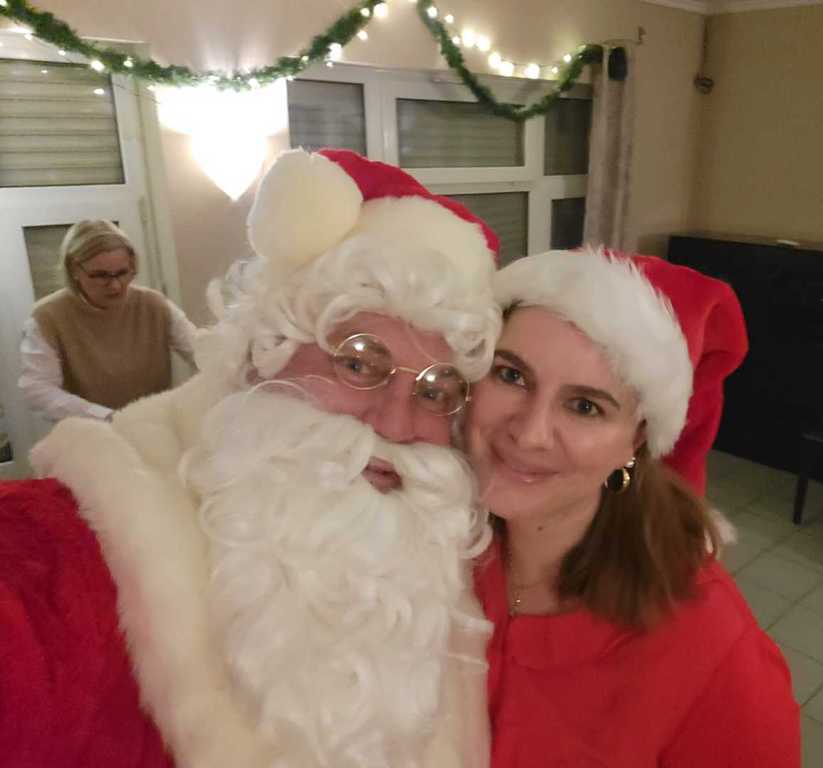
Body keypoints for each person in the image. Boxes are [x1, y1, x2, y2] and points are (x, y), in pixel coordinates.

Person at [0, 149, 502, 768]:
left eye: (434, 391)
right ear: (263, 356)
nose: (396, 426)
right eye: (357, 362)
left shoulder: (449, 568)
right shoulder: (68, 541)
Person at [466, 247, 800, 767]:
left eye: (584, 406)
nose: (530, 434)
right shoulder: (443, 544)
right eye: (510, 376)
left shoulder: (712, 654)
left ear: (636, 440)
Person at [18, 219, 197, 422]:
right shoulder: (47, 317)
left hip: (155, 426)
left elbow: (202, 351)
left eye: (123, 273)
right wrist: (108, 418)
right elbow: (37, 389)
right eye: (100, 276)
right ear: (74, 269)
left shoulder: (154, 305)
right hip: (92, 432)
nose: (115, 286)